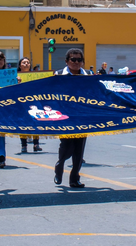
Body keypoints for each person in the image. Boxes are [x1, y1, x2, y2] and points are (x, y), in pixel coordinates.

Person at [53, 48, 90, 188]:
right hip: (64, 117)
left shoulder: (88, 76)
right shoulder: (58, 75)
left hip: (82, 116)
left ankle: (75, 178)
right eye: (73, 59)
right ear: (67, 61)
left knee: (79, 150)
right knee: (67, 146)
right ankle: (59, 166)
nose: (76, 62)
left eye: (79, 60)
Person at [17, 57, 43, 153]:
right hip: (21, 103)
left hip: (34, 102)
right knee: (23, 123)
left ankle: (36, 144)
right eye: (24, 62)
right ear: (20, 65)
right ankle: (24, 145)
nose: (26, 64)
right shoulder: (16, 76)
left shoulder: (34, 76)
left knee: (36, 121)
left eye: (28, 62)